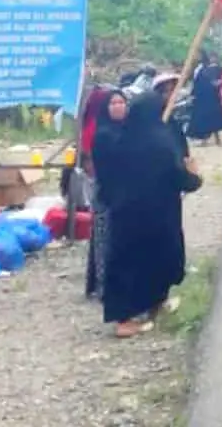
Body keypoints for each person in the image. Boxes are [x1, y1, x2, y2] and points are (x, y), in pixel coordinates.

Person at [100, 91, 202, 338]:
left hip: (125, 216)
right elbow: (183, 180)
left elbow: (106, 179)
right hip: (159, 216)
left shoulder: (120, 141)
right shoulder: (162, 144)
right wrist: (195, 174)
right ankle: (132, 319)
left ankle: (139, 311)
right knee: (160, 258)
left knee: (128, 263)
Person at [85, 88, 127, 301]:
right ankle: (103, 287)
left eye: (121, 102)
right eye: (113, 103)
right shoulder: (103, 135)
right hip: (106, 195)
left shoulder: (130, 132)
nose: (118, 106)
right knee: (104, 242)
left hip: (124, 196)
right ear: (106, 108)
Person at [187, 52, 222, 146]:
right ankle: (205, 140)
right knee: (205, 119)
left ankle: (216, 139)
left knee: (213, 117)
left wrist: (219, 83)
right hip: (201, 96)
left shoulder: (212, 68)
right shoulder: (198, 68)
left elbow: (216, 81)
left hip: (210, 96)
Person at [152, 73, 191, 160]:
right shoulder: (153, 113)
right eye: (166, 91)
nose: (170, 94)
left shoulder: (172, 118)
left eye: (172, 90)